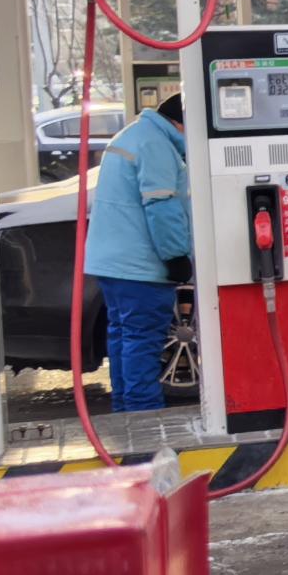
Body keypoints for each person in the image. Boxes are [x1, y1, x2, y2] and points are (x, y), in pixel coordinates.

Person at [82, 92, 191, 414]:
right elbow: (161, 205)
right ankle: (144, 414)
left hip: (112, 263)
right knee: (142, 341)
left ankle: (126, 411)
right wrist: (176, 256)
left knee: (123, 338)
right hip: (140, 265)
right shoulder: (157, 144)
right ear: (182, 123)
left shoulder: (133, 134)